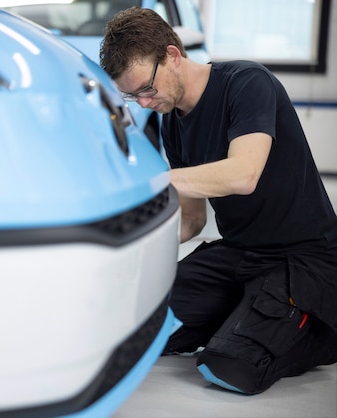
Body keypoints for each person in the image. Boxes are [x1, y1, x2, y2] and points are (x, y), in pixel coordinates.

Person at [100, 6, 337, 394]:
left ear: (172, 56)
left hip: (304, 258)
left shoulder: (246, 83)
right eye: (131, 96)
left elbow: (243, 175)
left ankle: (319, 326)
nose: (142, 103)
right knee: (133, 329)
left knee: (228, 366)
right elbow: (192, 220)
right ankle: (247, 312)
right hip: (240, 256)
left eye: (146, 88)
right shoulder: (172, 122)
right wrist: (130, 247)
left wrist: (155, 181)